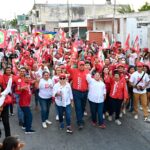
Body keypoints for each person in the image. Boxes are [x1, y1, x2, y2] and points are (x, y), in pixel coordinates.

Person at [66, 61, 89, 129]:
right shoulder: (74, 71)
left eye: (83, 65)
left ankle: (80, 118)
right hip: (76, 93)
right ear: (78, 66)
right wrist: (69, 64)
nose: (82, 66)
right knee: (78, 107)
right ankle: (80, 122)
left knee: (82, 107)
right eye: (80, 65)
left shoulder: (87, 72)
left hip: (85, 92)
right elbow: (67, 68)